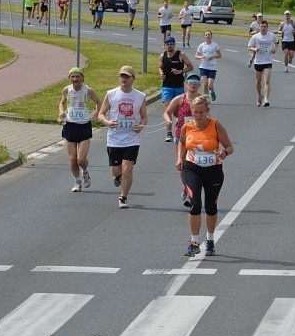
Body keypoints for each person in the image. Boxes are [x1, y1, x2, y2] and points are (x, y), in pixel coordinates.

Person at [176, 94, 233, 256]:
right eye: (195, 112)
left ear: (207, 111)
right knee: (195, 204)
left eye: (201, 112)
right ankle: (194, 242)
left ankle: (210, 240)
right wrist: (180, 158)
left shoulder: (215, 125)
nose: (198, 115)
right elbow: (182, 143)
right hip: (192, 168)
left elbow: (229, 147)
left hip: (213, 170)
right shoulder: (187, 127)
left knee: (210, 207)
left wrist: (224, 152)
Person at [97, 65, 148, 209]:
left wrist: (141, 126)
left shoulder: (140, 96)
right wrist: (107, 122)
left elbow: (144, 117)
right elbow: (100, 114)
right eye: (122, 76)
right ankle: (117, 176)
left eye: (127, 76)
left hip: (132, 138)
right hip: (114, 138)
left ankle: (123, 197)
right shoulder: (111, 94)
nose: (124, 79)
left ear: (133, 79)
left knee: (128, 169)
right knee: (116, 169)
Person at [58, 67, 102, 192]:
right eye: (72, 76)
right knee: (72, 159)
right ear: (69, 78)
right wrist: (61, 111)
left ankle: (85, 172)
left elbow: (99, 102)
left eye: (77, 76)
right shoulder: (67, 90)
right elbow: (62, 102)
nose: (75, 79)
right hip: (70, 125)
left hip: (84, 125)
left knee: (81, 159)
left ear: (82, 78)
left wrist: (96, 113)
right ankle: (77, 182)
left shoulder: (88, 90)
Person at [163, 73, 201, 207]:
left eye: (196, 82)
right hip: (181, 137)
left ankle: (191, 190)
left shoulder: (202, 101)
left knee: (195, 164)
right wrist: (168, 120)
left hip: (197, 137)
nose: (193, 84)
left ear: (199, 85)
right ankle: (186, 187)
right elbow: (167, 112)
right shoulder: (180, 99)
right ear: (186, 84)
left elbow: (207, 116)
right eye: (191, 82)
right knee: (183, 165)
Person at [159, 35, 194, 142]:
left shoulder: (181, 55)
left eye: (171, 44)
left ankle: (179, 121)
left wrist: (180, 71)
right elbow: (160, 67)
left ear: (174, 44)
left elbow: (190, 66)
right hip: (167, 86)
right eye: (167, 44)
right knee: (168, 110)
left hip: (178, 86)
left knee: (177, 112)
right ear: (164, 45)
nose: (169, 46)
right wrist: (161, 74)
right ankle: (169, 133)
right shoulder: (162, 56)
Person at [248, 20, 279, 107]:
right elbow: (249, 47)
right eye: (261, 27)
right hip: (258, 61)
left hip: (268, 61)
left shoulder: (271, 36)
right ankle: (259, 96)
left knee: (267, 81)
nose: (263, 28)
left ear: (267, 27)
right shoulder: (255, 37)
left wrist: (274, 49)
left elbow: (277, 43)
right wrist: (255, 49)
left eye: (264, 27)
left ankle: (266, 99)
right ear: (259, 27)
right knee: (258, 82)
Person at [194, 30, 222, 101]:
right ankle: (206, 100)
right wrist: (201, 57)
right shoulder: (201, 45)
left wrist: (213, 56)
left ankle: (212, 91)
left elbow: (219, 55)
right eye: (206, 35)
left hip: (212, 67)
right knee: (204, 84)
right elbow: (196, 56)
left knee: (210, 85)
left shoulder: (215, 45)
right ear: (204, 36)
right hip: (203, 67)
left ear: (211, 36)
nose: (207, 36)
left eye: (209, 35)